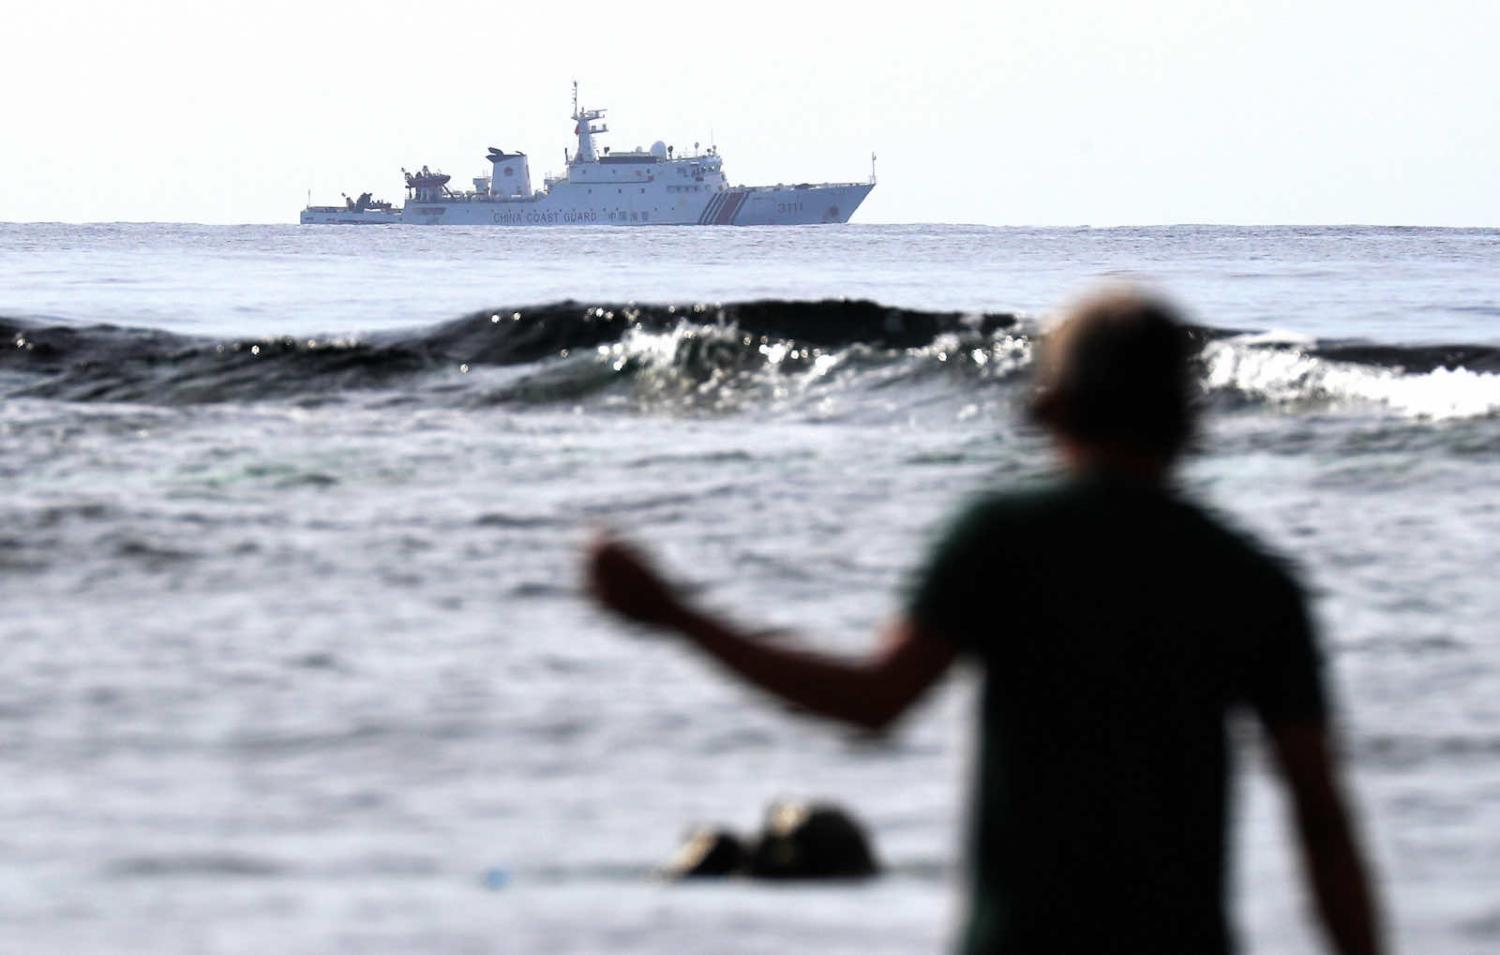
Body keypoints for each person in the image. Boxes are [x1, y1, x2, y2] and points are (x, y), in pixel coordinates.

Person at [585, 289, 1383, 955]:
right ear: (1189, 414)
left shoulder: (1003, 539)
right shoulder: (1254, 581)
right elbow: (1320, 815)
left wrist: (680, 616)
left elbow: (875, 699)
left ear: (1049, 405)